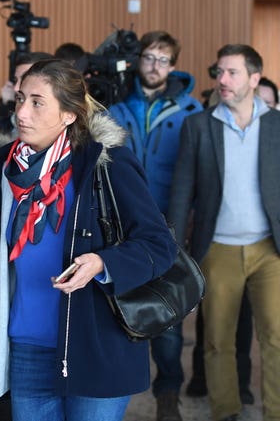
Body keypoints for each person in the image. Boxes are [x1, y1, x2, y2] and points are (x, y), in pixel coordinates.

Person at [0, 58, 177, 421]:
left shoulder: (107, 164)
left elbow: (159, 245)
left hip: (96, 344)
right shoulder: (0, 171)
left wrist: (103, 263)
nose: (22, 112)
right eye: (19, 99)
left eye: (37, 102)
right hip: (27, 343)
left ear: (69, 114)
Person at [169, 44, 280, 421]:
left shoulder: (277, 125)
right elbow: (183, 190)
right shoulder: (198, 125)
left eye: (232, 72)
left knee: (276, 338)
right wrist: (175, 248)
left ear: (254, 78)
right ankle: (226, 411)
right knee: (217, 339)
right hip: (217, 248)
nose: (222, 80)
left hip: (270, 250)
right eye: (219, 72)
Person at [108, 30, 203, 421]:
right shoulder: (113, 105)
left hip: (168, 225)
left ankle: (167, 395)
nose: (154, 66)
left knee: (167, 314)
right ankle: (114, 390)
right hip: (118, 224)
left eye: (163, 59)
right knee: (117, 310)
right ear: (137, 61)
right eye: (148, 57)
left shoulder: (191, 111)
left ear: (174, 65)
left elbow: (199, 174)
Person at [0, 51, 53, 134]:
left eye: (25, 79)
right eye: (15, 80)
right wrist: (6, 105)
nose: (16, 88)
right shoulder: (8, 124)